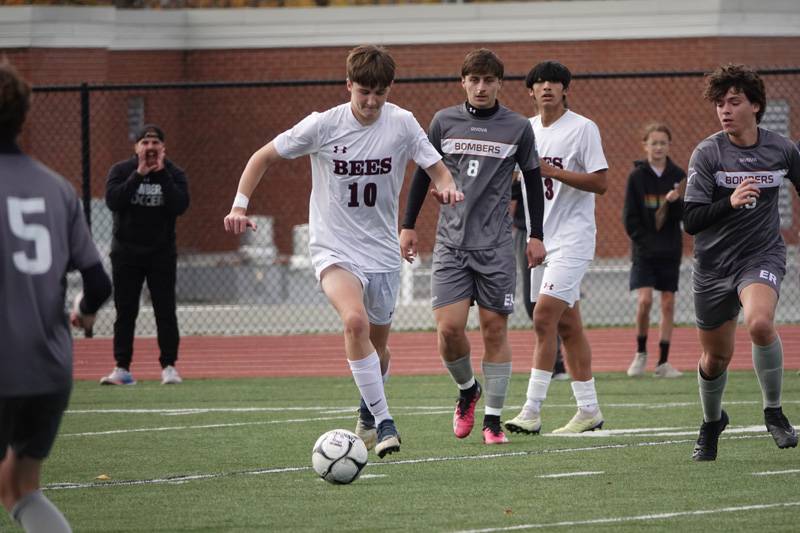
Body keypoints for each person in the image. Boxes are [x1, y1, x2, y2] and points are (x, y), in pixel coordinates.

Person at [223, 45, 462, 458]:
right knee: (355, 323)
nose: (371, 102)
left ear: (390, 89)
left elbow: (435, 166)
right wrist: (239, 205)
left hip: (383, 253)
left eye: (379, 93)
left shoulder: (402, 123)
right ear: (348, 85)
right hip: (334, 247)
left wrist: (447, 185)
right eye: (363, 92)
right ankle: (385, 420)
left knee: (379, 346)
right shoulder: (323, 125)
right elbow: (262, 157)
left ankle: (368, 413)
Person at [400, 49, 545, 445]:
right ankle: (468, 390)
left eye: (488, 80)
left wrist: (536, 235)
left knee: (494, 329)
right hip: (451, 246)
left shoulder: (517, 127)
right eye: (474, 80)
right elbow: (422, 173)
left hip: (496, 246)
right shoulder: (443, 122)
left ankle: (493, 421)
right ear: (462, 82)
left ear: (500, 83)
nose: (481, 87)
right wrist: (408, 225)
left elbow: (533, 183)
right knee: (448, 330)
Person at [0, 62, 112, 533]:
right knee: (21, 488)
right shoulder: (56, 188)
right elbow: (99, 283)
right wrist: (84, 316)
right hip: (48, 367)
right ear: (24, 119)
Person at [684, 64, 800, 461]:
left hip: (760, 255)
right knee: (715, 358)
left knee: (761, 322)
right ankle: (712, 421)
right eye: (719, 104)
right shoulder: (708, 152)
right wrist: (728, 202)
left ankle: (774, 411)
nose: (725, 110)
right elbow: (691, 221)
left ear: (756, 105)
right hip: (713, 266)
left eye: (734, 102)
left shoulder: (782, 149)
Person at [505, 60, 608, 436]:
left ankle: (531, 411)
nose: (547, 87)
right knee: (568, 324)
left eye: (555, 82)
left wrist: (554, 171)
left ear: (566, 89)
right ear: (530, 91)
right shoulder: (525, 130)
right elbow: (516, 182)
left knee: (544, 316)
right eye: (539, 82)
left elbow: (601, 183)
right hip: (540, 239)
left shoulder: (583, 128)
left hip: (574, 238)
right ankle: (589, 410)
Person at [101, 124, 190, 386]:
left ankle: (169, 367)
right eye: (145, 142)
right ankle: (122, 368)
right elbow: (113, 201)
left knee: (165, 310)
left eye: (155, 143)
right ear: (136, 147)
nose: (150, 148)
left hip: (161, 254)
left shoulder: (174, 173)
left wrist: (161, 174)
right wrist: (138, 175)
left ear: (163, 147)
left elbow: (180, 205)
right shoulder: (121, 171)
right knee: (125, 311)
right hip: (126, 253)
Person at [623, 123, 685, 379]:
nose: (658, 147)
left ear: (668, 146)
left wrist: (675, 202)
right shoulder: (636, 178)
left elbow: (684, 218)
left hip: (670, 251)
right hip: (644, 251)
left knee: (668, 303)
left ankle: (663, 361)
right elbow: (630, 218)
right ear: (645, 145)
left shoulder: (678, 175)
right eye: (654, 142)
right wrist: (644, 242)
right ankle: (640, 354)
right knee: (645, 301)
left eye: (663, 143)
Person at [512, 176, 569, 380]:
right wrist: (518, 178)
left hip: (559, 231)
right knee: (532, 302)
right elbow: (509, 192)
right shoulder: (521, 146)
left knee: (557, 300)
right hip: (527, 233)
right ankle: (553, 360)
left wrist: (548, 171)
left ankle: (558, 363)